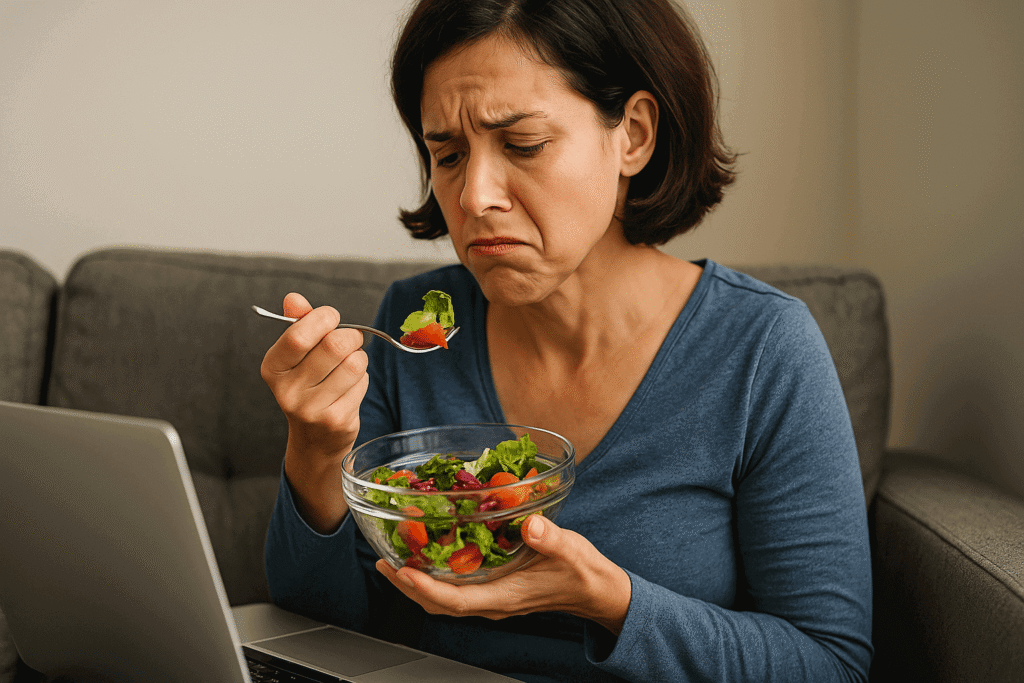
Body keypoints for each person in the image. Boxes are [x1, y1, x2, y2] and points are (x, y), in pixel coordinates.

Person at [260, 0, 873, 681]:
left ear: (633, 135)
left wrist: (612, 603)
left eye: (522, 144)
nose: (473, 197)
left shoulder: (763, 349)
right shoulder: (411, 323)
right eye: (448, 154)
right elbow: (319, 629)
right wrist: (315, 456)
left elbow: (831, 664)